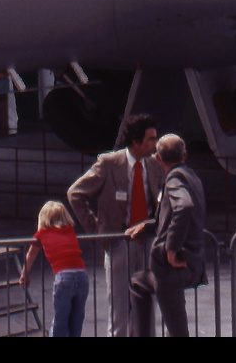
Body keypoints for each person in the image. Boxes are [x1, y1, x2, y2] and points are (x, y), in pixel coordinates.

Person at [67, 113, 162, 337]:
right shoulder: (109, 164)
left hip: (148, 244)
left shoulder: (154, 165)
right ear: (136, 141)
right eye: (150, 139)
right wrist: (97, 230)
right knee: (119, 311)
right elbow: (75, 194)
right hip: (119, 244)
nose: (155, 144)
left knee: (147, 311)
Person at [129, 134, 207, 337]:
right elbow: (171, 215)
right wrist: (147, 227)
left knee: (178, 331)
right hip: (192, 263)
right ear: (185, 155)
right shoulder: (192, 177)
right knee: (138, 282)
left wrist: (171, 249)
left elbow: (184, 207)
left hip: (172, 269)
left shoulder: (174, 179)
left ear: (158, 159)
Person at [22, 201, 89, 337]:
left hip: (64, 278)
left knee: (60, 321)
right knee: (76, 320)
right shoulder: (70, 230)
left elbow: (31, 254)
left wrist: (25, 274)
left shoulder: (41, 233)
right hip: (82, 276)